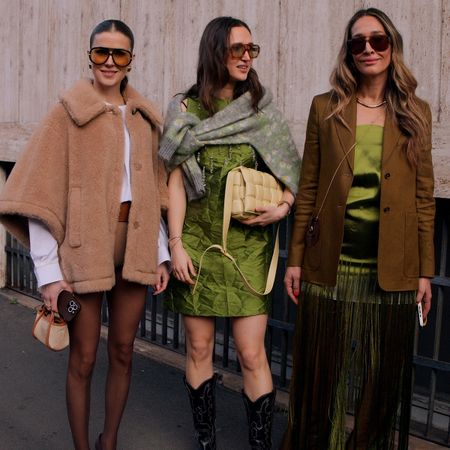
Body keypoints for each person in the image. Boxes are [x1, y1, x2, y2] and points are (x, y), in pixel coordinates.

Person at [0, 20, 169, 450]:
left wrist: (161, 251)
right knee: (84, 358)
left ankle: (107, 441)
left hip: (134, 249)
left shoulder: (145, 118)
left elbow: (152, 190)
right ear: (89, 55)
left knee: (124, 352)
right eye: (101, 53)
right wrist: (49, 274)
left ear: (132, 60)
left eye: (120, 54)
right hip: (81, 252)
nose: (109, 62)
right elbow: (40, 195)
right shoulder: (66, 113)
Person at [282, 7, 434, 450]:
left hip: (393, 269)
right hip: (332, 263)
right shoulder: (325, 108)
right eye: (357, 42)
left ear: (392, 47)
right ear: (348, 52)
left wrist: (425, 270)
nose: (368, 49)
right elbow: (309, 186)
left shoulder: (415, 111)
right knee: (321, 379)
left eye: (378, 40)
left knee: (380, 383)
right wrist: (296, 258)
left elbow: (425, 199)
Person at [159, 16, 300, 450]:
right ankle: (207, 442)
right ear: (214, 52)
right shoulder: (185, 111)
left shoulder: (260, 109)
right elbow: (177, 184)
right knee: (199, 349)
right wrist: (175, 244)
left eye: (250, 49)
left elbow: (291, 171)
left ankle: (259, 446)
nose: (245, 57)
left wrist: (283, 207)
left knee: (252, 353)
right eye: (236, 48)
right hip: (197, 245)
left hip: (248, 247)